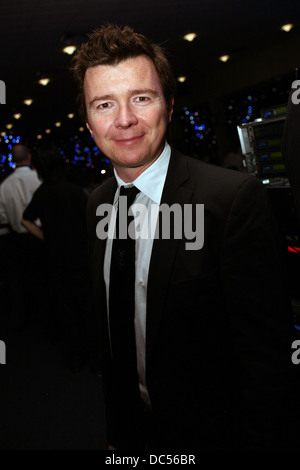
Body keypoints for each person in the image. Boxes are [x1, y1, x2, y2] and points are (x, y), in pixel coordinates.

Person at [70, 24, 294, 450]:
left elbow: (267, 359)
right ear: (88, 123)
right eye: (104, 104)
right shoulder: (97, 204)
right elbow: (115, 338)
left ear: (168, 107)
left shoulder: (230, 201)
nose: (124, 119)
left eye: (141, 97)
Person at [21, 143, 101, 373]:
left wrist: (46, 237)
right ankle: (96, 359)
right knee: (88, 309)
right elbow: (92, 224)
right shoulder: (74, 191)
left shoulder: (42, 192)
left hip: (55, 259)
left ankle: (76, 357)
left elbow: (25, 220)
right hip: (81, 259)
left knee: (67, 311)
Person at [0, 144, 42, 329]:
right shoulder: (39, 178)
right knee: (43, 281)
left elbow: (2, 217)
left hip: (18, 239)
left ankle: (27, 320)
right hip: (41, 236)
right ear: (29, 156)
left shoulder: (4, 185)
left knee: (23, 283)